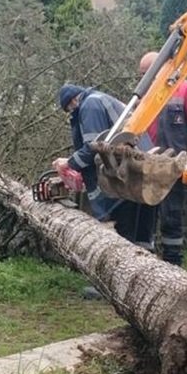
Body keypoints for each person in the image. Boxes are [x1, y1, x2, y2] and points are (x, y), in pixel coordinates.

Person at [53, 84, 157, 252]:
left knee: (124, 239)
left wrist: (69, 163)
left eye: (70, 109)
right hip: (141, 171)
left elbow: (94, 147)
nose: (72, 112)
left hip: (123, 180)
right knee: (142, 238)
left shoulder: (89, 106)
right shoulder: (101, 99)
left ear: (73, 101)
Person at [139, 51, 187, 267]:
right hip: (148, 164)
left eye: (146, 73)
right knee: (145, 214)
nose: (143, 79)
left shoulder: (186, 90)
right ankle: (144, 260)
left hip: (174, 166)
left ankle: (172, 261)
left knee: (171, 215)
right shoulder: (145, 94)